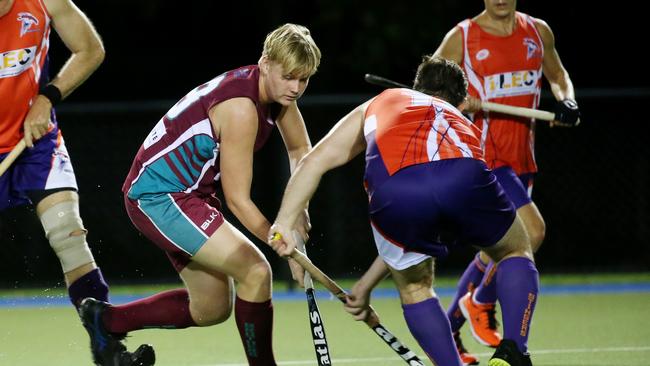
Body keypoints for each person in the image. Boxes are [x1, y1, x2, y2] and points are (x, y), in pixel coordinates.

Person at [268, 56, 540, 366]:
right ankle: (514, 352)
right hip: (463, 174)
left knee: (414, 286)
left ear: (416, 88)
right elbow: (439, 183)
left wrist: (284, 222)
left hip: (395, 188)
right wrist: (365, 286)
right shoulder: (462, 121)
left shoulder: (383, 101)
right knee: (514, 251)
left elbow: (314, 161)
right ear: (461, 102)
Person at [77, 23, 321, 366]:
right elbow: (238, 200)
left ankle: (106, 322)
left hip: (189, 197)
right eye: (289, 77)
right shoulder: (241, 108)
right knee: (256, 271)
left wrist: (298, 209)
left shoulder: (277, 95)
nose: (296, 88)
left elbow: (300, 151)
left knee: (211, 308)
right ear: (265, 62)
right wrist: (282, 242)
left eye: (304, 79)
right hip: (159, 197)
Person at [0, 0, 154, 365]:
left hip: (35, 141)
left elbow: (90, 49)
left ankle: (107, 346)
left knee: (67, 231)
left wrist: (46, 97)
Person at [433, 0, 579, 363]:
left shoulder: (537, 32)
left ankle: (452, 325)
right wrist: (457, 100)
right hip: (484, 158)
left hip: (522, 159)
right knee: (532, 232)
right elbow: (427, 90)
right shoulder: (462, 37)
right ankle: (482, 300)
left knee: (499, 247)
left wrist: (568, 101)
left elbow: (558, 77)